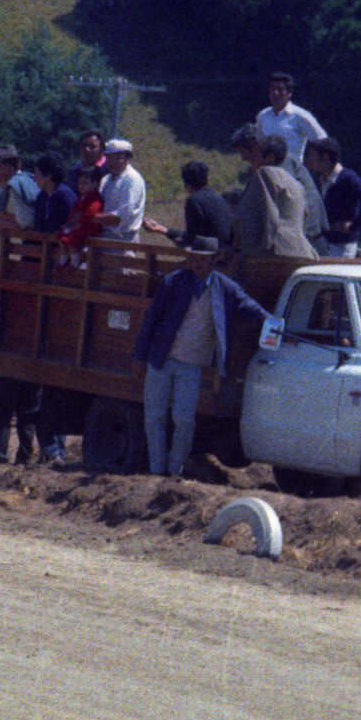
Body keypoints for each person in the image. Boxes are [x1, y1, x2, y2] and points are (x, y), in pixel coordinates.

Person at [132, 235, 270, 477]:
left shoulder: (225, 288)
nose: (198, 263)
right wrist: (139, 357)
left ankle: (174, 471)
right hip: (162, 359)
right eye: (194, 257)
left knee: (185, 420)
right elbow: (151, 320)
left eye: (203, 259)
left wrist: (278, 327)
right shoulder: (173, 282)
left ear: (214, 260)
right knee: (154, 416)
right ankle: (156, 471)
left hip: (192, 365)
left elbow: (253, 310)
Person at [257, 72, 330, 244]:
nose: (275, 94)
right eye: (272, 89)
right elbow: (258, 143)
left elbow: (322, 140)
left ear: (289, 93)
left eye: (280, 90)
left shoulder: (300, 116)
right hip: (268, 174)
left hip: (292, 174)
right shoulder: (263, 116)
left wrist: (312, 163)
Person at [230, 125, 311, 261]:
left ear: (269, 158)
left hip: (274, 254)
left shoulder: (265, 173)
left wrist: (264, 252)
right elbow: (305, 217)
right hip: (297, 251)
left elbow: (270, 213)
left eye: (256, 154)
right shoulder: (296, 183)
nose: (246, 159)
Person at [305, 137, 361, 258]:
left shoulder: (347, 178)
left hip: (341, 246)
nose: (309, 160)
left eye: (312, 156)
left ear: (325, 157)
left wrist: (353, 227)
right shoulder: (321, 179)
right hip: (324, 244)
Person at [153, 159, 234, 249]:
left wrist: (179, 241)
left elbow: (192, 238)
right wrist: (163, 230)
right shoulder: (219, 198)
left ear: (186, 183)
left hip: (209, 254)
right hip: (224, 252)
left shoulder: (193, 201)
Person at [97, 138, 147, 241]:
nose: (113, 162)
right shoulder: (106, 179)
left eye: (118, 158)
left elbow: (122, 216)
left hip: (123, 239)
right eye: (109, 158)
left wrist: (90, 218)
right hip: (103, 236)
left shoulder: (132, 179)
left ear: (128, 159)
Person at [0, 144, 39, 235]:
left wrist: (4, 217)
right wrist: (11, 219)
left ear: (8, 168)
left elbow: (26, 224)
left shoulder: (16, 186)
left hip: (35, 239)